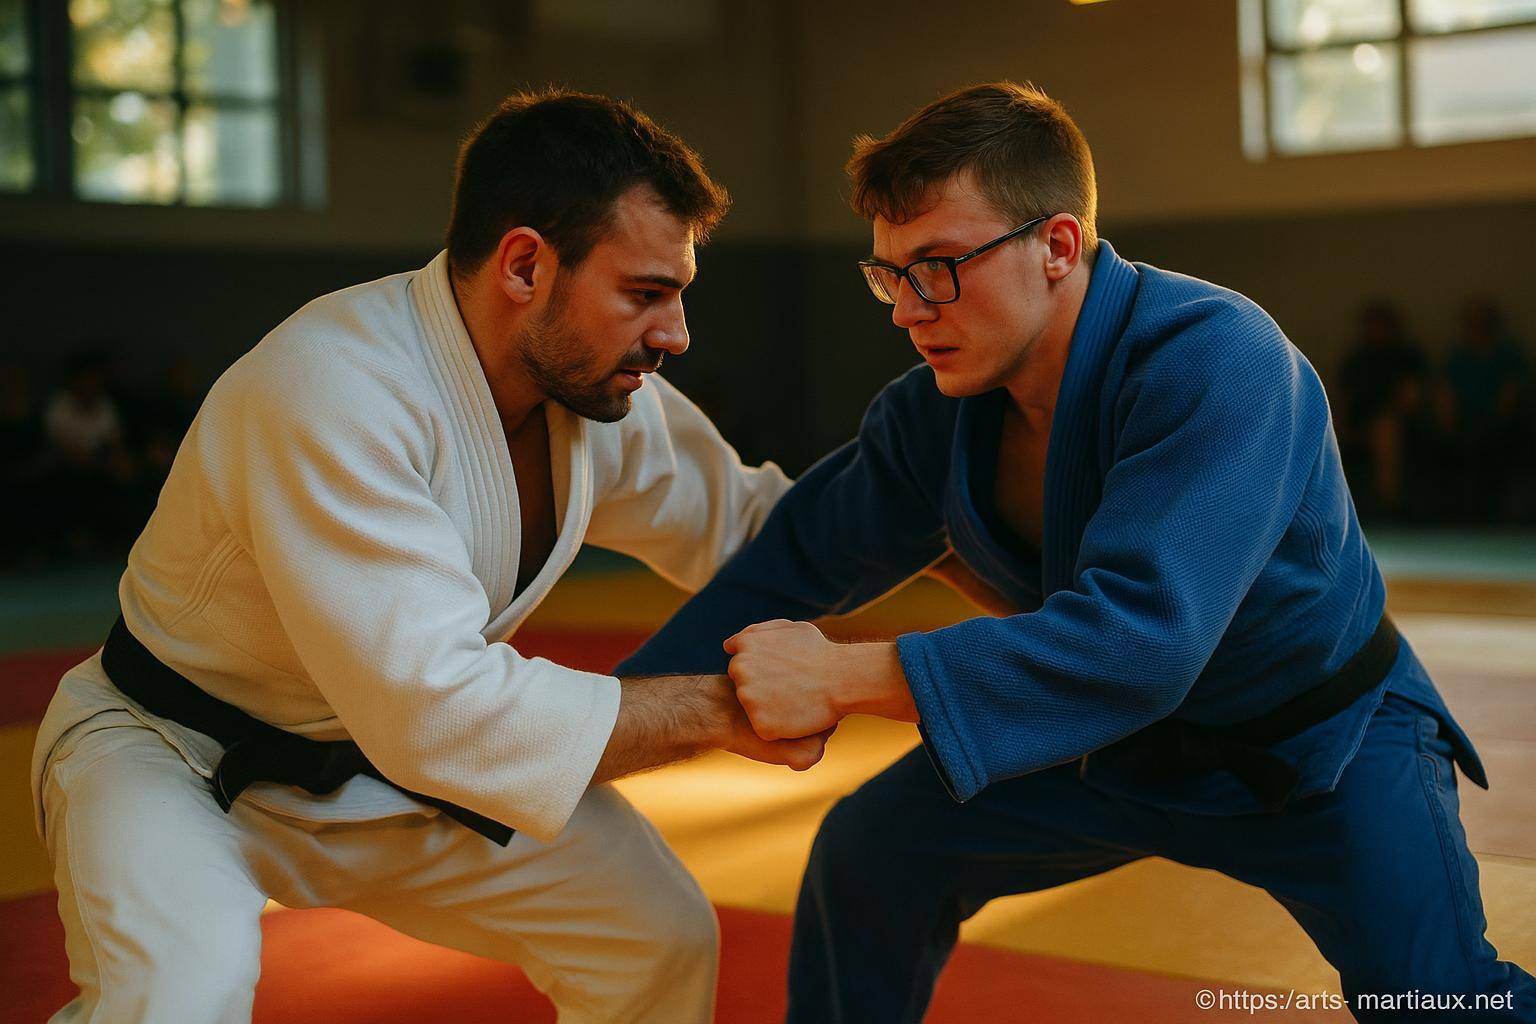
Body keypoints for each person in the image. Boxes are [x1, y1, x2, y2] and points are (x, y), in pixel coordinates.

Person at [620, 82, 1535, 1022]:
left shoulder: (1219, 359)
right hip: (1113, 748)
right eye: (889, 273)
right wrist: (596, 733)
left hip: (1314, 749)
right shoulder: (934, 414)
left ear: (1057, 247)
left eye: (937, 264)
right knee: (873, 853)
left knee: (1440, 1005)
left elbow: (1141, 641)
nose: (905, 308)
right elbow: (792, 561)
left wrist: (844, 678)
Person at [31, 88, 824, 1024]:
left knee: (653, 937)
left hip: (383, 768)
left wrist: (971, 519)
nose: (676, 334)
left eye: (679, 294)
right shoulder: (332, 386)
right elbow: (444, 712)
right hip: (173, 755)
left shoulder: (601, 401)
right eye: (645, 293)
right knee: (178, 998)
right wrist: (725, 708)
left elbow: (764, 528)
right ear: (525, 264)